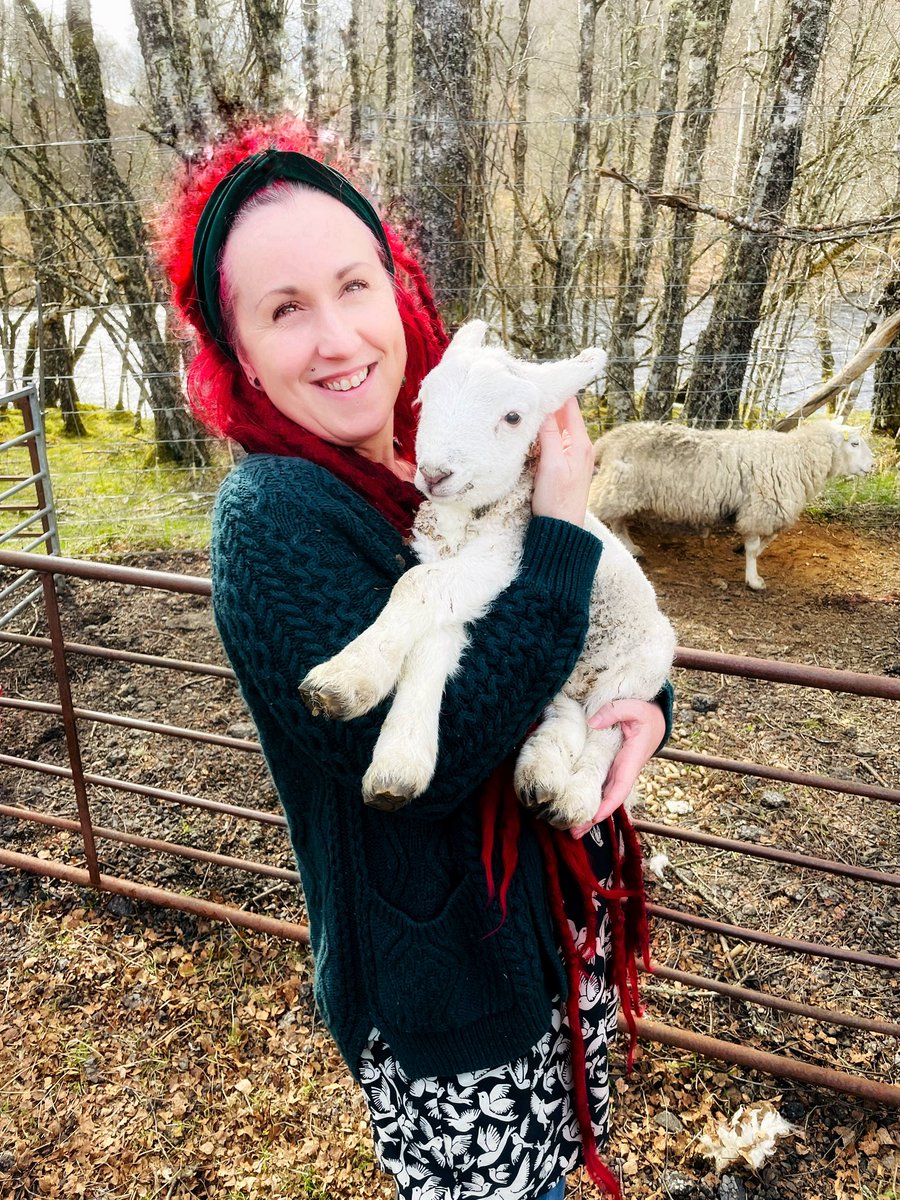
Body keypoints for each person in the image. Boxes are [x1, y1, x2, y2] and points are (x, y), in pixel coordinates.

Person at [157, 117, 673, 1200]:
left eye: (353, 286)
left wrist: (647, 702)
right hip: (445, 995)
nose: (338, 338)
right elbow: (423, 772)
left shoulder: (440, 441)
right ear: (237, 351)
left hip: (542, 938)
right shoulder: (277, 515)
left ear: (397, 287)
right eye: (285, 310)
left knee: (555, 1172)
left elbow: (586, 602)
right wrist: (565, 534)